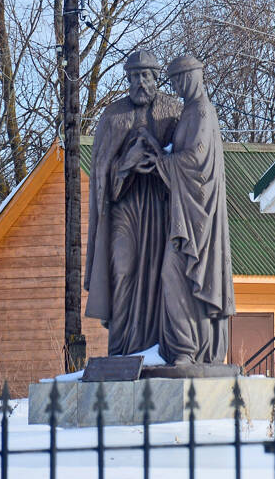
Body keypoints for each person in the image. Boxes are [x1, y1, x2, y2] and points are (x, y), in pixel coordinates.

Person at [84, 50, 181, 355]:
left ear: (155, 79)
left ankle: (154, 347)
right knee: (122, 269)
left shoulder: (172, 111)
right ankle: (121, 348)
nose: (140, 83)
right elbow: (100, 168)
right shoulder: (113, 115)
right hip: (124, 207)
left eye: (145, 76)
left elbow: (184, 159)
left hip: (159, 208)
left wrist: (158, 160)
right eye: (134, 77)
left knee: (157, 274)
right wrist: (126, 164)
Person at [154, 55, 235, 365]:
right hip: (185, 211)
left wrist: (162, 162)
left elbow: (197, 160)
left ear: (192, 77)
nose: (175, 87)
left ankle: (193, 350)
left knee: (182, 274)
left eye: (178, 80)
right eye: (173, 82)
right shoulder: (189, 112)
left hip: (201, 215)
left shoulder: (202, 111)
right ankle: (185, 347)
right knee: (175, 275)